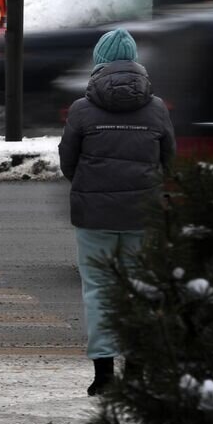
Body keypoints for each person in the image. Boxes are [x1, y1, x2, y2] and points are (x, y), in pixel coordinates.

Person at [58, 28, 175, 396]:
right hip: (144, 214)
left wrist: (91, 186)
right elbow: (168, 160)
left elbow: (67, 162)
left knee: (98, 289)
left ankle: (104, 374)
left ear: (98, 62)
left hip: (95, 217)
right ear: (136, 62)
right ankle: (137, 368)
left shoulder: (81, 110)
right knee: (140, 288)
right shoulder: (156, 109)